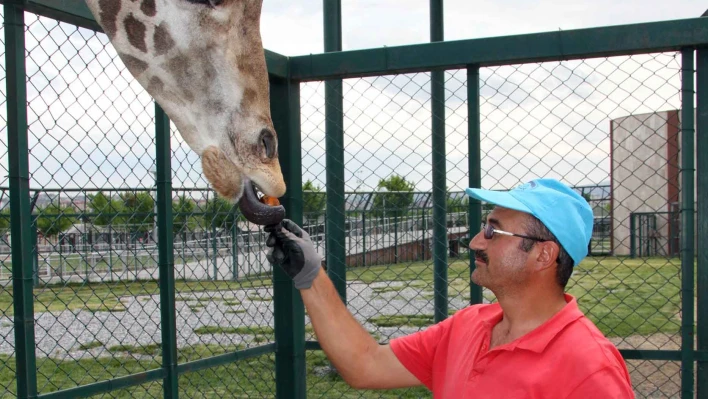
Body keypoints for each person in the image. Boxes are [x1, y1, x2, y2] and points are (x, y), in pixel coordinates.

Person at [265, 178, 634, 398]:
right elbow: (366, 365)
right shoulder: (468, 326)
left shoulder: (589, 368)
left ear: (543, 255)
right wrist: (310, 274)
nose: (475, 241)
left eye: (492, 230)